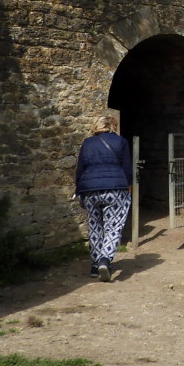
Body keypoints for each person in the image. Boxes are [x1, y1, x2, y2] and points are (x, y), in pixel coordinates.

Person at [74, 114, 133, 282]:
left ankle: (94, 266)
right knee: (113, 227)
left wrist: (80, 187)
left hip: (90, 189)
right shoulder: (121, 142)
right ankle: (105, 260)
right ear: (113, 126)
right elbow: (127, 168)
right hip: (115, 188)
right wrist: (128, 185)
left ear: (95, 126)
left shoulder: (87, 143)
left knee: (94, 226)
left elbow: (80, 168)